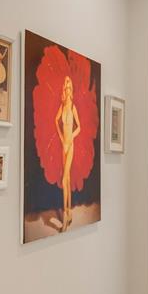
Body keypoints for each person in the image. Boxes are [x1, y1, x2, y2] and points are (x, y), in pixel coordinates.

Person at [54, 76, 81, 229]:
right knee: (68, 179)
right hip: (63, 145)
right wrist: (61, 137)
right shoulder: (63, 106)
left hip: (70, 146)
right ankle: (70, 212)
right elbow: (55, 120)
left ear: (72, 90)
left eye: (69, 87)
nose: (68, 89)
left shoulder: (72, 108)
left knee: (64, 180)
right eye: (66, 87)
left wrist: (70, 140)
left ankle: (65, 215)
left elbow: (79, 127)